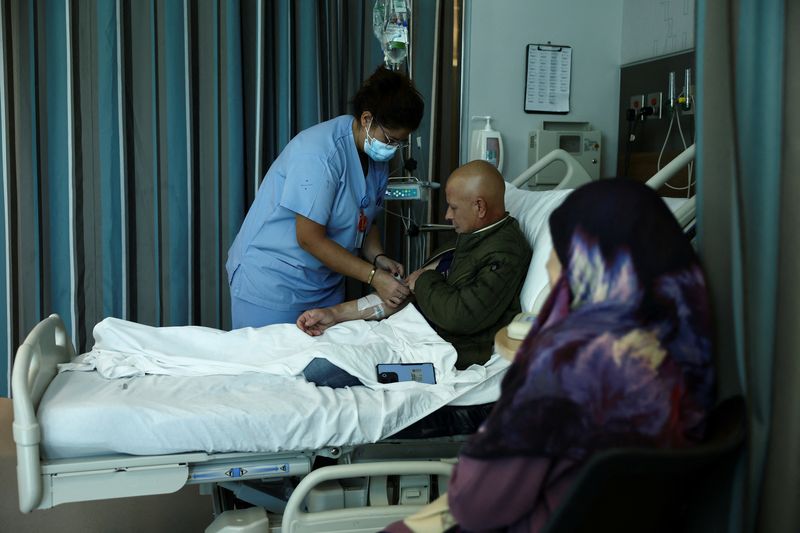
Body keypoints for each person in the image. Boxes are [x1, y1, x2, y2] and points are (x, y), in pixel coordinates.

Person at [383, 178, 716, 532]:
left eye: (559, 254)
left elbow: (475, 506)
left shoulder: (561, 377)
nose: (549, 269)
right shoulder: (689, 357)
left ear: (590, 266)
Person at [226, 66, 424, 328]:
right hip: (272, 282)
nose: (394, 149)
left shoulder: (375, 160)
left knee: (322, 366)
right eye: (391, 139)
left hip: (324, 286)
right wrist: (374, 277)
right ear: (366, 119)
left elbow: (367, 220)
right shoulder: (320, 154)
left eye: (401, 142)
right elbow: (309, 238)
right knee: (271, 366)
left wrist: (377, 257)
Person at [297, 160, 532, 373]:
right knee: (301, 352)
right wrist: (334, 314)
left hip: (437, 350)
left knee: (320, 370)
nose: (447, 215)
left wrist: (424, 280)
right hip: (406, 330)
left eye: (453, 207)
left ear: (479, 207)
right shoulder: (471, 237)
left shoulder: (505, 253)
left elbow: (458, 315)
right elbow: (403, 293)